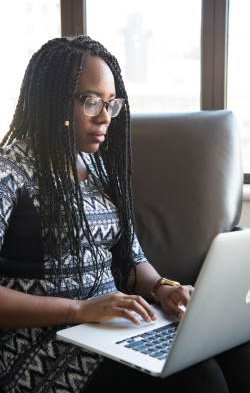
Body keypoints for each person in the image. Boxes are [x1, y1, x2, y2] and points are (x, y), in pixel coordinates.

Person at [0, 36, 249, 393]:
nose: (104, 117)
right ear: (50, 99)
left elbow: (130, 260)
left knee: (238, 352)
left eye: (110, 104)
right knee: (199, 381)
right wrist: (80, 310)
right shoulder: (8, 171)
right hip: (45, 347)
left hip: (111, 329)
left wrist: (163, 288)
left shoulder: (99, 169)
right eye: (90, 102)